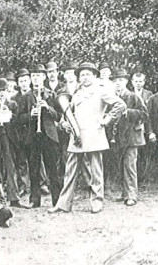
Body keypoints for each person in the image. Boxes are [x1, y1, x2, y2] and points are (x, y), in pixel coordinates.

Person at [50, 62, 126, 214]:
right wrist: (64, 123)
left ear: (94, 76)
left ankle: (97, 202)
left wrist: (107, 119)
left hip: (94, 135)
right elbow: (69, 112)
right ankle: (63, 203)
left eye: (88, 74)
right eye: (82, 75)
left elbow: (120, 104)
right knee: (69, 171)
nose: (84, 77)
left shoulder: (101, 91)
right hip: (76, 136)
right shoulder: (77, 94)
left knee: (95, 170)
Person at [16, 65, 62, 209]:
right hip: (33, 137)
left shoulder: (51, 95)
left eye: (39, 76)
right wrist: (31, 114)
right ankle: (35, 200)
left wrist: (47, 108)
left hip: (48, 137)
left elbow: (59, 116)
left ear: (44, 77)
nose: (36, 79)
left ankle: (57, 200)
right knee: (34, 169)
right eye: (34, 76)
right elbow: (18, 119)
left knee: (52, 169)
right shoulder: (26, 97)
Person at [0, 78, 27, 209]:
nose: (1, 93)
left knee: (10, 167)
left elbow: (18, 122)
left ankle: (14, 198)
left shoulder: (12, 104)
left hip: (9, 139)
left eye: (3, 90)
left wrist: (9, 115)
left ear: (7, 90)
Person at [111, 69, 149, 206]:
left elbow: (144, 114)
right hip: (118, 138)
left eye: (120, 80)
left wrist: (128, 112)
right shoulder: (111, 97)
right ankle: (124, 193)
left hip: (132, 137)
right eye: (115, 81)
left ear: (126, 82)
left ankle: (132, 195)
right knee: (121, 166)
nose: (118, 83)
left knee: (130, 166)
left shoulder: (133, 97)